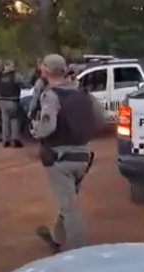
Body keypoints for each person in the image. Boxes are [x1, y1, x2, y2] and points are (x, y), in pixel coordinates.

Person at [31, 54, 102, 253]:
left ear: (45, 71)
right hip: (83, 156)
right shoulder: (84, 93)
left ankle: (81, 251)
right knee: (68, 199)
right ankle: (56, 236)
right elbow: (102, 116)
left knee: (70, 207)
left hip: (59, 158)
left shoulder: (51, 95)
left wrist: (34, 128)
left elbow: (47, 127)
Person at [0, 60, 24, 148]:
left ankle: (5, 140)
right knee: (14, 120)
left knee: (5, 121)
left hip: (2, 100)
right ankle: (15, 139)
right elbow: (23, 84)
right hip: (12, 100)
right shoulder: (15, 75)